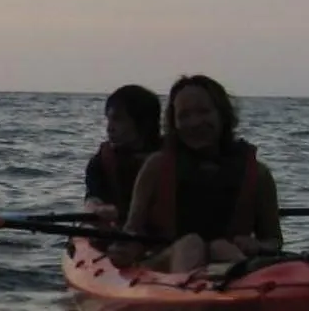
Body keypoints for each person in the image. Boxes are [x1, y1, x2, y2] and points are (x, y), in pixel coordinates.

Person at [120, 74, 281, 273]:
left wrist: (257, 245)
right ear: (174, 123)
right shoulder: (156, 167)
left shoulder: (259, 175)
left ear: (222, 115)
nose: (195, 122)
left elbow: (274, 241)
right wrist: (125, 249)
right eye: (184, 116)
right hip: (164, 264)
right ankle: (190, 286)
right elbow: (133, 229)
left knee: (221, 247)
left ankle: (240, 280)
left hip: (226, 262)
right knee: (191, 244)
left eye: (204, 112)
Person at [83, 84, 161, 229]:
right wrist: (95, 209)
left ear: (144, 123)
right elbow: (93, 195)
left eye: (118, 119)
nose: (109, 128)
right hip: (118, 231)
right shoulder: (100, 162)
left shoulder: (172, 157)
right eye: (108, 119)